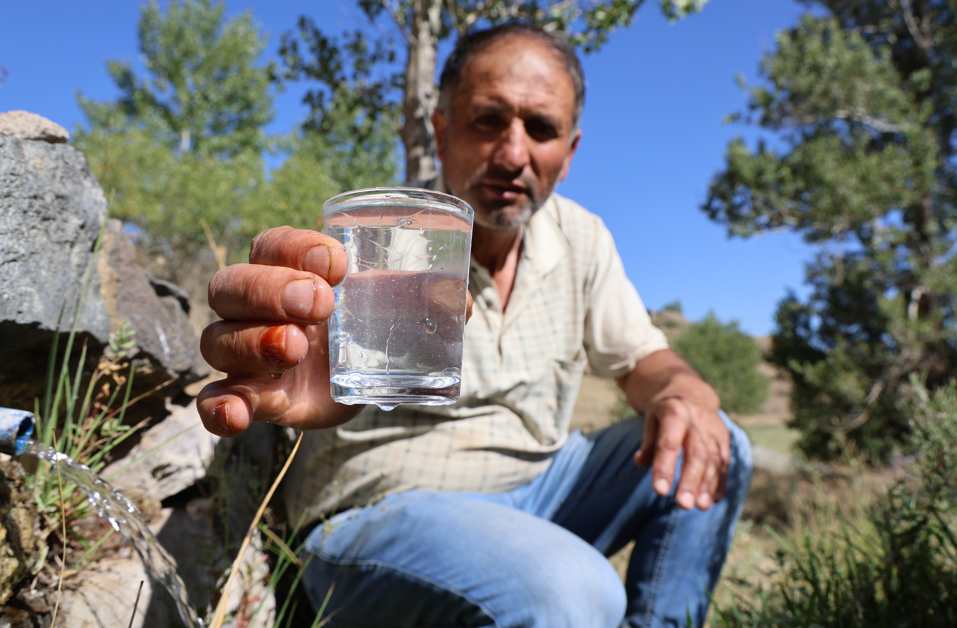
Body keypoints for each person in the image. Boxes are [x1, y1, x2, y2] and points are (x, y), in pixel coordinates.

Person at [197, 23, 752, 628]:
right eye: (488, 119)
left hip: (543, 498)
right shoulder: (385, 234)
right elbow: (309, 332)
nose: (514, 154)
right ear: (441, 130)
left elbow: (642, 360)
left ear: (568, 154)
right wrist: (294, 334)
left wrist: (685, 393)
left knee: (717, 438)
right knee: (571, 592)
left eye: (541, 129)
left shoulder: (582, 238)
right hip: (379, 513)